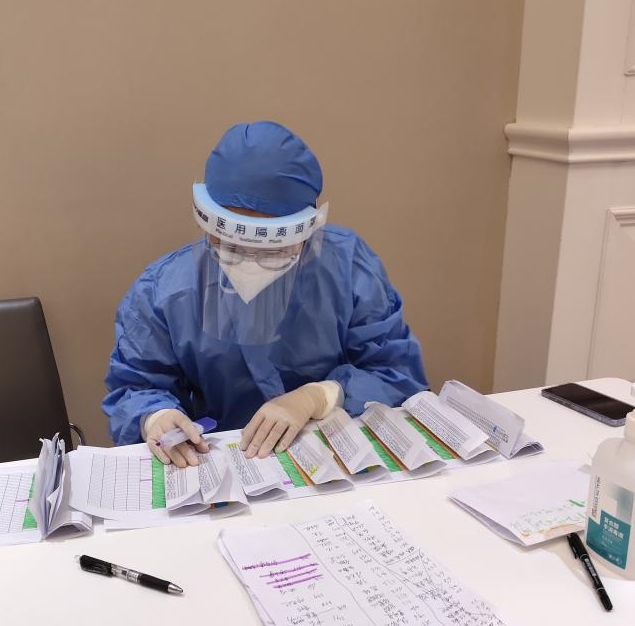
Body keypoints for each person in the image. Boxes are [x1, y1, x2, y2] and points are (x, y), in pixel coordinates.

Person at [103, 121, 428, 468]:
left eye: (271, 245)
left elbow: (396, 373)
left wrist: (319, 397)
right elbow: (135, 387)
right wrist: (156, 416)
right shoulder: (164, 291)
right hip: (225, 457)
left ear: (306, 231)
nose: (248, 257)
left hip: (332, 448)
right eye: (229, 241)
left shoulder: (347, 267)